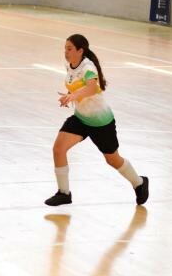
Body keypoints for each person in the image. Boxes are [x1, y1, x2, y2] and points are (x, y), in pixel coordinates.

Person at [45, 34, 149, 207]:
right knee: (58, 149)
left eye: (70, 48)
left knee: (112, 159)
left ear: (80, 50)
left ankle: (139, 182)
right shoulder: (70, 65)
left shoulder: (88, 67)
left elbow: (92, 88)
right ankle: (64, 193)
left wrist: (73, 96)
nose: (66, 51)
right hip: (80, 118)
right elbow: (79, 88)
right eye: (65, 48)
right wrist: (71, 97)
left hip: (101, 122)